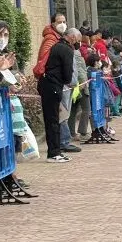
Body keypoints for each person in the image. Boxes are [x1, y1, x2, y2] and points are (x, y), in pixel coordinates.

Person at [41, 27, 78, 163]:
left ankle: (55, 151)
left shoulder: (57, 46)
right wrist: (68, 81)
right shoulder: (66, 49)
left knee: (53, 120)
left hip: (48, 85)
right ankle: (54, 153)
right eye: (77, 40)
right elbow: (68, 73)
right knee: (53, 120)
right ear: (72, 38)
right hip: (53, 86)